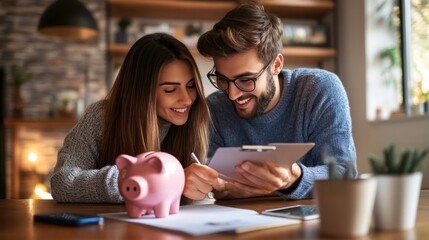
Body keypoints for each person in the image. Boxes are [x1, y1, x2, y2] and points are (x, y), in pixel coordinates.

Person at [187, 1, 357, 200]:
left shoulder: (318, 90)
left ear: (276, 65)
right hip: (239, 223)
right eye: (222, 79)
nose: (232, 94)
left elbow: (344, 173)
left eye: (245, 80)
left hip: (310, 223)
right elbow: (217, 185)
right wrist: (201, 183)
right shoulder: (215, 108)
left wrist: (294, 179)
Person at [50, 33, 210, 203]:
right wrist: (132, 180)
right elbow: (62, 183)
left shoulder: (195, 119)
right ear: (141, 92)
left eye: (191, 86)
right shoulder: (101, 117)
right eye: (170, 89)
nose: (187, 99)